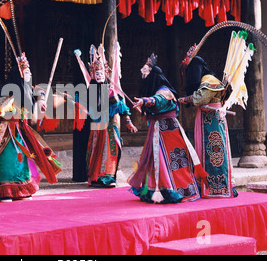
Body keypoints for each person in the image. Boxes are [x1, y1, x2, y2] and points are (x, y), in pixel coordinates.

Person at [0, 53, 60, 202]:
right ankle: (3, 191)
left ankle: (22, 190)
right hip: (2, 134)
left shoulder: (27, 89)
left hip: (19, 132)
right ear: (19, 74)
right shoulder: (1, 91)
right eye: (26, 72)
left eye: (30, 73)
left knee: (21, 163)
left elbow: (39, 90)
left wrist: (41, 102)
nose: (29, 75)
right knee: (6, 163)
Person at [129, 53, 203, 204]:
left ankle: (175, 190)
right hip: (157, 131)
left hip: (169, 133)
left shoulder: (165, 91)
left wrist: (145, 101)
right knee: (154, 161)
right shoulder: (157, 91)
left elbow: (158, 101)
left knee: (173, 161)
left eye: (146, 75)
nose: (143, 77)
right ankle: (156, 190)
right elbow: (153, 112)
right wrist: (144, 110)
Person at [178, 49, 238, 198]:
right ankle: (207, 185)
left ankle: (220, 186)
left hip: (212, 121)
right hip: (207, 118)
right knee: (207, 151)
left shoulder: (209, 80)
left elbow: (200, 98)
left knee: (215, 152)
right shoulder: (207, 79)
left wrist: (186, 99)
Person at [85, 45, 138, 188]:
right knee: (95, 151)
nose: (99, 76)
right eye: (97, 74)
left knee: (110, 152)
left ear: (106, 75)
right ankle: (95, 178)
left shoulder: (110, 91)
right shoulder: (90, 92)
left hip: (109, 127)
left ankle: (108, 178)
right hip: (96, 128)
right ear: (93, 76)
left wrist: (128, 122)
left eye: (102, 73)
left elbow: (122, 107)